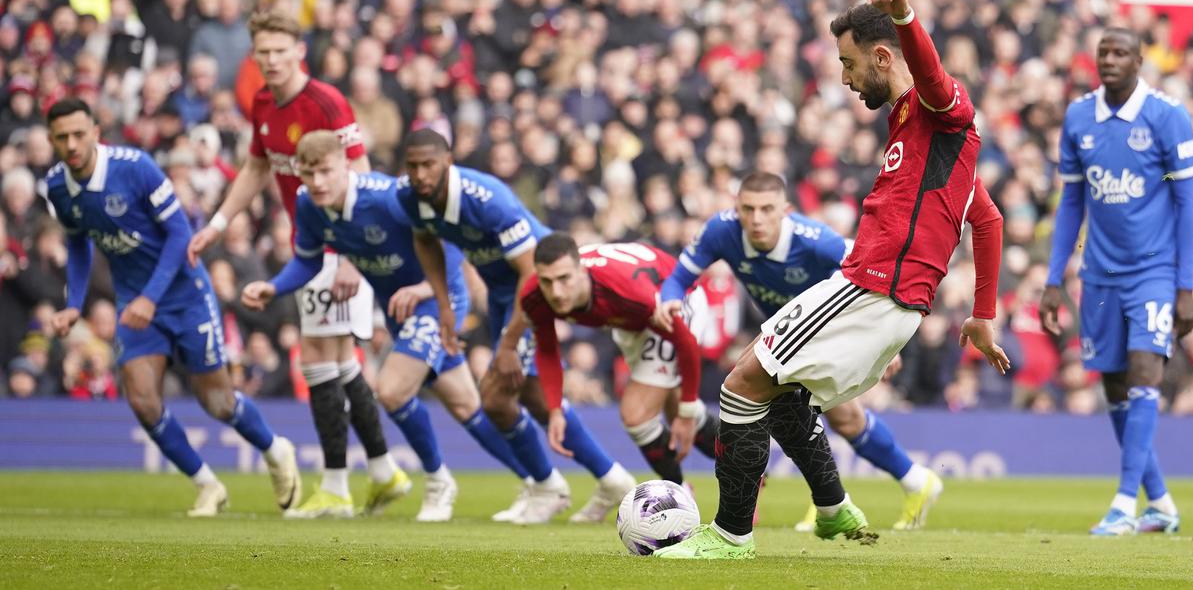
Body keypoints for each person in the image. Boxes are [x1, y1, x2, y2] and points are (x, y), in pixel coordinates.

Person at [656, 0, 1011, 560]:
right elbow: (988, 219)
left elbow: (930, 75)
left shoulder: (938, 108)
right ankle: (832, 509)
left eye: (849, 65)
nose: (845, 80)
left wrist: (904, 16)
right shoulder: (927, 141)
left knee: (741, 386)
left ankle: (729, 538)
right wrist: (982, 315)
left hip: (873, 285)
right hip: (889, 297)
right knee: (788, 398)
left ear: (880, 55)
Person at [656, 170, 1003, 530]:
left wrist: (879, 341)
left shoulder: (815, 240)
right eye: (748, 209)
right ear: (737, 209)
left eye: (766, 209)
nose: (756, 219)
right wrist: (669, 302)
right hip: (788, 331)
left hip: (831, 328)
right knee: (823, 413)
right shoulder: (720, 231)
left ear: (785, 210)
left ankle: (836, 501)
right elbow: (678, 278)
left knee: (812, 409)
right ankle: (896, 485)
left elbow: (871, 271)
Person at [241, 131, 535, 521]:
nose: (319, 182)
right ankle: (537, 482)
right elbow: (308, 260)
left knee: (392, 390)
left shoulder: (387, 198)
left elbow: (445, 244)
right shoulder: (308, 205)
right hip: (399, 310)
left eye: (327, 171)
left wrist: (422, 289)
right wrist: (273, 287)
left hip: (436, 300)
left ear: (346, 164)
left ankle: (438, 480)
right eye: (309, 174)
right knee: (466, 404)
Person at [186, 11, 406, 519]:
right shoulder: (262, 102)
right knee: (340, 361)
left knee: (316, 359)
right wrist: (217, 224)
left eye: (280, 50)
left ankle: (336, 487)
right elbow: (257, 169)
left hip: (338, 243)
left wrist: (353, 254)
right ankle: (381, 470)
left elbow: (361, 171)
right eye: (262, 51)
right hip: (310, 240)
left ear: (299, 51)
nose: (271, 60)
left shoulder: (326, 101)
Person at [43, 97, 301, 517]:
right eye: (61, 137)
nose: (71, 144)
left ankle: (276, 449)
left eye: (78, 134)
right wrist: (73, 303)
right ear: (51, 140)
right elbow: (76, 242)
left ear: (95, 131)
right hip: (134, 304)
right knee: (143, 401)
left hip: (183, 295)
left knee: (217, 403)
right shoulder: (57, 185)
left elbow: (181, 233)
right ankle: (208, 485)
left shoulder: (135, 167)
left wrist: (151, 296)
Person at [399, 128, 636, 524]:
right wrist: (443, 307)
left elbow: (529, 271)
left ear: (448, 161)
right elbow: (426, 243)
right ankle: (607, 479)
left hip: (537, 287)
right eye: (413, 166)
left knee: (493, 397)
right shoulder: (413, 199)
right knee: (533, 397)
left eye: (428, 165)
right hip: (500, 292)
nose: (420, 174)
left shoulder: (488, 199)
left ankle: (548, 485)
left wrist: (508, 345)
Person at [1040, 27, 1193, 536]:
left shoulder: (1167, 116)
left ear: (1139, 62)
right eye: (1103, 52)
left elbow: (1188, 203)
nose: (1109, 60)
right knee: (1113, 383)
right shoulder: (1078, 116)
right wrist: (1052, 276)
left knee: (1144, 372)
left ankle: (1124, 504)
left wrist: (1186, 284)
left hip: (1153, 271)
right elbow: (1070, 203)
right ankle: (1162, 504)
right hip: (1098, 276)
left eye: (1120, 53)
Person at [523, 233, 717, 486]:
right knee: (671, 405)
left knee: (637, 414)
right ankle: (745, 468)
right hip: (630, 320)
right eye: (547, 281)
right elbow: (547, 350)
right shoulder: (534, 296)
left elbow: (686, 344)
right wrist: (555, 409)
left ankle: (680, 494)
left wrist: (688, 411)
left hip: (675, 299)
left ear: (581, 269)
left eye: (564, 279)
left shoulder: (628, 293)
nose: (556, 292)